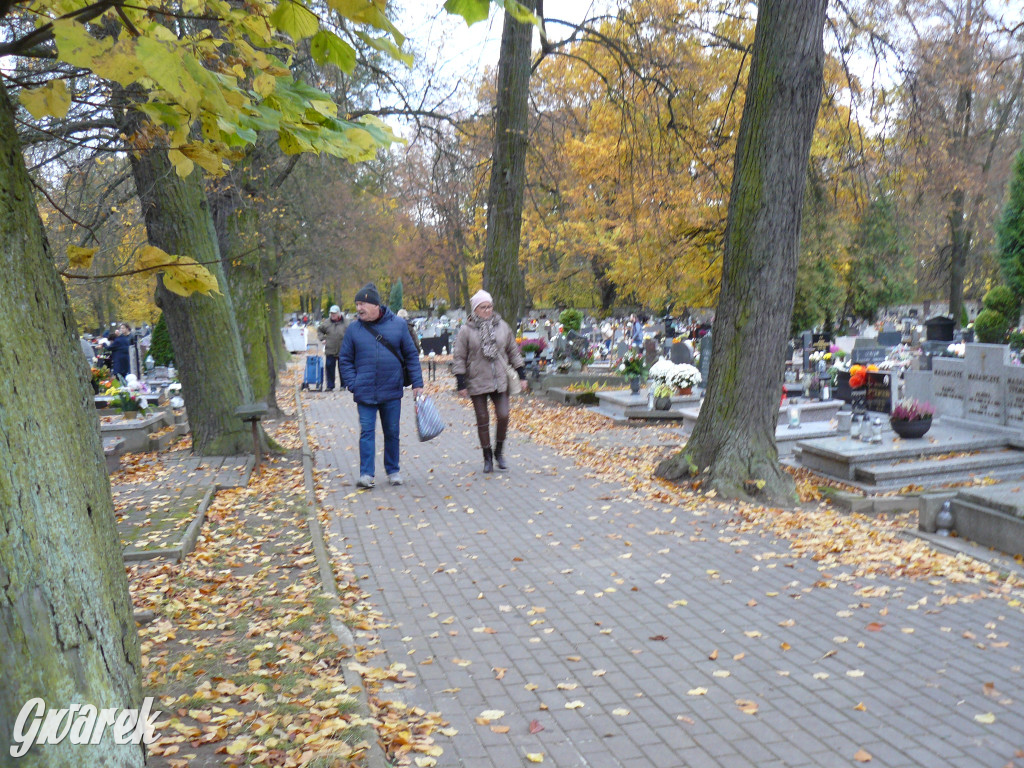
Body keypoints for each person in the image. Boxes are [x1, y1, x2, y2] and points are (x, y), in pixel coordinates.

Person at [340, 283, 424, 489]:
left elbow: (411, 355)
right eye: (357, 304)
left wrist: (417, 383)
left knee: (392, 432)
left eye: (363, 304)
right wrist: (353, 383)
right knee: (367, 432)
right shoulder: (353, 329)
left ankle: (393, 470)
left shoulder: (398, 325)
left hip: (391, 390)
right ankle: (366, 474)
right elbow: (345, 359)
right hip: (365, 391)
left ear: (376, 305)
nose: (359, 308)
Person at [453, 290, 528, 473]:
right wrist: (460, 383)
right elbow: (459, 357)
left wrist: (522, 375)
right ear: (475, 310)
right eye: (483, 307)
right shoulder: (466, 330)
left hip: (500, 379)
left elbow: (513, 351)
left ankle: (499, 453)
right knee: (482, 419)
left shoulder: (502, 326)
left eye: (489, 306)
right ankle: (487, 457)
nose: (487, 310)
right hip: (477, 379)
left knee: (503, 415)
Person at [317, 305, 347, 392]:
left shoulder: (346, 322)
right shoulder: (326, 323)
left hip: (343, 349)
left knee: (343, 368)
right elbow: (319, 330)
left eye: (334, 313)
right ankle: (330, 386)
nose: (332, 315)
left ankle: (343, 385)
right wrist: (322, 338)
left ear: (339, 313)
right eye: (331, 313)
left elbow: (352, 333)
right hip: (330, 348)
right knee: (329, 367)